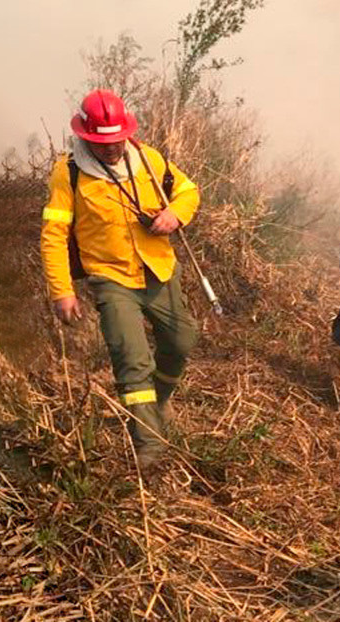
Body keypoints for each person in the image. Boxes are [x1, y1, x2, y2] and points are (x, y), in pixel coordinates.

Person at [40, 89, 200, 470]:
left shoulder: (148, 157)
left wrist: (174, 215)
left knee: (182, 341)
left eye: (116, 141)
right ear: (86, 136)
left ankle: (159, 401)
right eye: (102, 143)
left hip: (159, 270)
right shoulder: (69, 173)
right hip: (111, 279)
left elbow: (188, 190)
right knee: (132, 361)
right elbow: (54, 236)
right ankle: (149, 447)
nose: (112, 149)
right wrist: (62, 291)